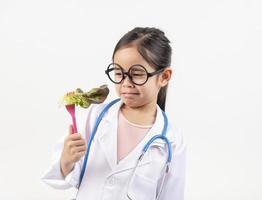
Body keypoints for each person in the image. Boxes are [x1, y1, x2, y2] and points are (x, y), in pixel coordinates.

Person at [41, 27, 186, 200]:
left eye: (137, 74)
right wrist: (66, 160)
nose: (125, 83)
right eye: (118, 73)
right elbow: (61, 177)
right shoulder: (93, 117)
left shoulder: (172, 140)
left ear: (164, 77)